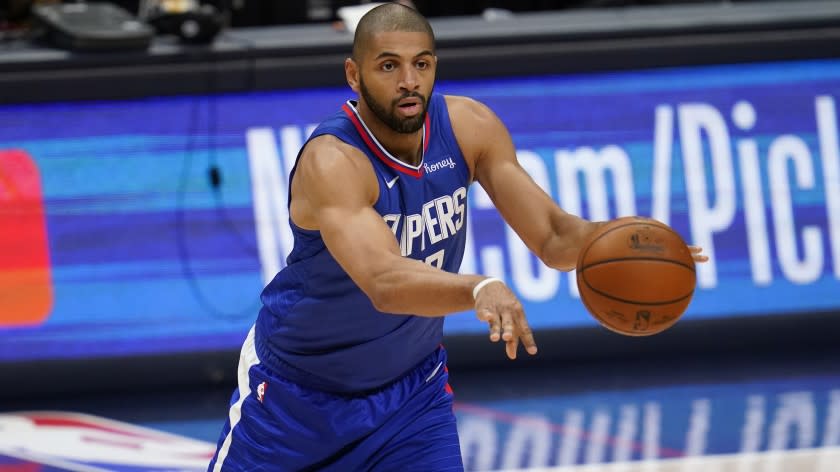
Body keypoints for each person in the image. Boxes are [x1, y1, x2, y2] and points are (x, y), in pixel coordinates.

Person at [208, 3, 707, 471]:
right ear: (354, 76)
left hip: (411, 397)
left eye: (421, 65)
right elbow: (383, 281)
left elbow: (555, 238)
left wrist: (629, 240)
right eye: (389, 66)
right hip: (296, 399)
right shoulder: (333, 161)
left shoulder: (469, 127)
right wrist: (477, 288)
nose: (409, 82)